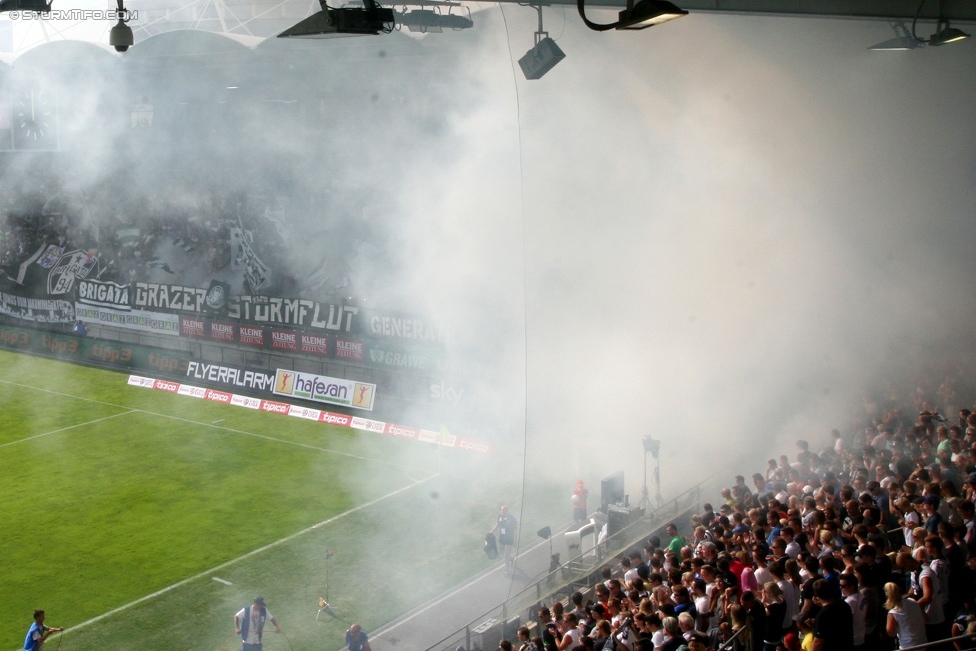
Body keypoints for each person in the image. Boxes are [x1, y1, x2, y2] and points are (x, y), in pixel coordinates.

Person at [884, 582, 926, 650]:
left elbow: (891, 633)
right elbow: (926, 618)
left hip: (908, 647)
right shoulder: (913, 602)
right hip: (923, 644)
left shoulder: (893, 613)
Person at [491, 505, 518, 573]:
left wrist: (515, 541)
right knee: (501, 549)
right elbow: (498, 524)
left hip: (509, 538)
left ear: (507, 511)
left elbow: (515, 530)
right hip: (502, 536)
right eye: (501, 510)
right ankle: (511, 558)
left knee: (506, 555)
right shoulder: (500, 516)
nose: (502, 512)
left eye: (503, 511)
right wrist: (491, 531)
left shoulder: (512, 519)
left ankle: (507, 569)